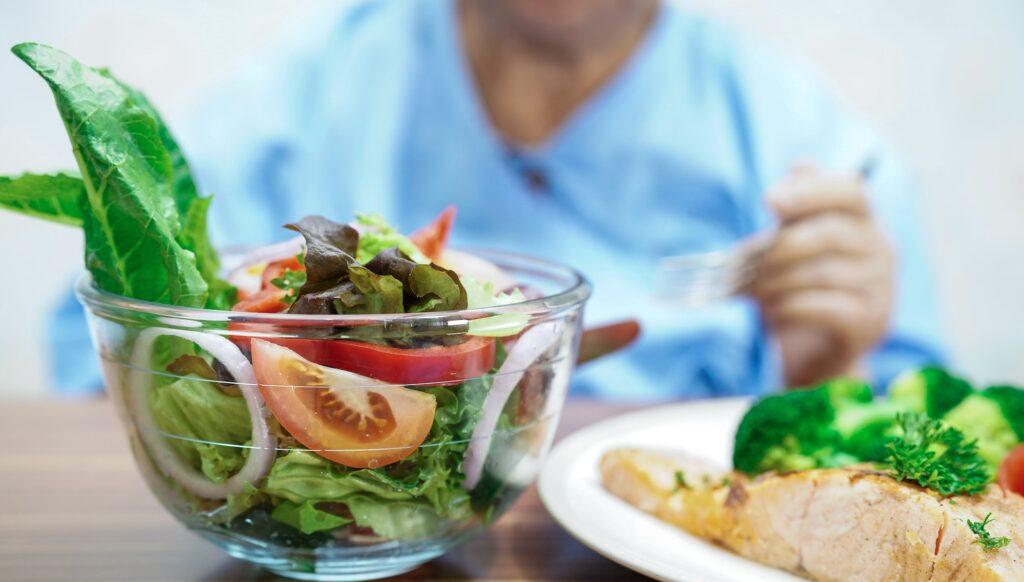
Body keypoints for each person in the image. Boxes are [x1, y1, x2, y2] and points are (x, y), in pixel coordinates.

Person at [51, 0, 943, 399]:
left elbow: (925, 440)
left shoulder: (819, 151)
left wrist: (828, 368)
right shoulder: (292, 104)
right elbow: (104, 353)